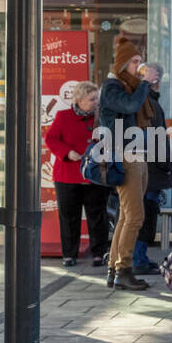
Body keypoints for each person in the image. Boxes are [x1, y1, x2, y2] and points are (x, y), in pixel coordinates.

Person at [98, 36, 161, 291]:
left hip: (135, 152)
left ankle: (115, 270)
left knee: (127, 216)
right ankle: (124, 269)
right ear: (123, 64)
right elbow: (131, 105)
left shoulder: (127, 85)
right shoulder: (113, 87)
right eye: (134, 61)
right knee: (135, 216)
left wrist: (146, 85)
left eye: (139, 61)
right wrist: (145, 83)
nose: (139, 65)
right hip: (124, 154)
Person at [45, 80, 109, 268]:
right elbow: (51, 139)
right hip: (67, 175)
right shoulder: (63, 116)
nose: (95, 102)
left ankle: (99, 253)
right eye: (91, 99)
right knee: (69, 217)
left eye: (97, 98)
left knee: (97, 216)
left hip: (94, 175)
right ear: (79, 100)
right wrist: (67, 152)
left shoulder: (102, 118)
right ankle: (69, 254)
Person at [133, 61, 172, 274]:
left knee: (142, 214)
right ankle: (137, 259)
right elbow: (155, 140)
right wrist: (165, 165)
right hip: (149, 170)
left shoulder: (146, 102)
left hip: (147, 168)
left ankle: (139, 258)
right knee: (145, 215)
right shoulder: (148, 104)